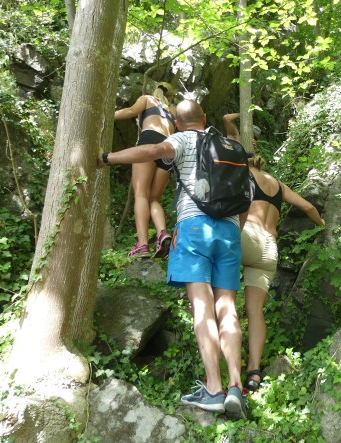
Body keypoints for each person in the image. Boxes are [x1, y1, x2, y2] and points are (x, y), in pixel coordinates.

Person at [99, 100, 248, 419]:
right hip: (230, 231)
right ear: (205, 117)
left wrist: (107, 158)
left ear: (178, 123)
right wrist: (236, 231)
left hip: (194, 227)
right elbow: (245, 195)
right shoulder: (228, 146)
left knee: (203, 307)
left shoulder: (180, 139)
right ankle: (236, 386)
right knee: (227, 307)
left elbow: (151, 151)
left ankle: (214, 388)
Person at [223, 113, 325, 392]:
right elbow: (308, 207)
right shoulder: (278, 184)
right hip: (269, 248)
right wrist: (322, 224)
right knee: (255, 312)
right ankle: (254, 372)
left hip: (245, 236)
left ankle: (230, 370)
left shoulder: (242, 175)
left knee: (226, 302)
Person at [114, 82, 176, 258]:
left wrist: (105, 115)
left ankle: (142, 244)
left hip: (149, 139)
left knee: (141, 194)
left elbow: (130, 111)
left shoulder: (147, 99)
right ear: (171, 96)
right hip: (169, 149)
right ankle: (162, 232)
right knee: (154, 198)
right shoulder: (173, 110)